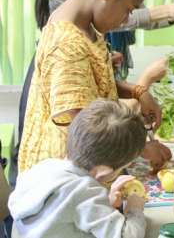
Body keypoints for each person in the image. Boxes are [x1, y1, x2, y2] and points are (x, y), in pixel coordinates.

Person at [17, 0, 169, 173]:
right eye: (128, 9)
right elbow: (87, 135)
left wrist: (137, 92)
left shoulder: (86, 29)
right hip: (57, 189)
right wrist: (142, 148)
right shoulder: (66, 44)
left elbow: (91, 87)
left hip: (80, 175)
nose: (126, 19)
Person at [10, 99, 148, 237]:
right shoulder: (83, 191)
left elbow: (61, 212)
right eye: (121, 168)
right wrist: (135, 210)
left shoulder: (41, 168)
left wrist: (106, 203)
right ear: (103, 171)